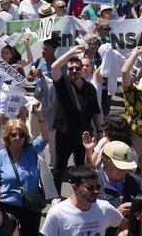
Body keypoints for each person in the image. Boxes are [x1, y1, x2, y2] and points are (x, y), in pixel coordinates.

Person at [50, 45, 102, 188]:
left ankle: (80, 192)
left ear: (82, 70)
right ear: (66, 71)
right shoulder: (62, 83)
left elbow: (96, 112)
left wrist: (99, 131)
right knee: (60, 165)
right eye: (71, 68)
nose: (74, 71)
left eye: (77, 68)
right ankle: (56, 194)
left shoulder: (90, 88)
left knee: (81, 167)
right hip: (64, 132)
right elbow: (54, 67)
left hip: (83, 134)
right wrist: (72, 52)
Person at [0, 111, 50, 234]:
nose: (18, 138)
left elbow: (45, 138)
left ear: (25, 136)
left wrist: (40, 116)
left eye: (21, 135)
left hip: (31, 205)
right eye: (13, 135)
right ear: (7, 136)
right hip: (7, 206)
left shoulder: (31, 150)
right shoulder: (0, 156)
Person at [40, 165, 122, 236]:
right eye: (90, 188)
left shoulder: (105, 208)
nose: (96, 191)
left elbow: (125, 225)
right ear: (75, 188)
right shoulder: (57, 213)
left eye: (97, 187)